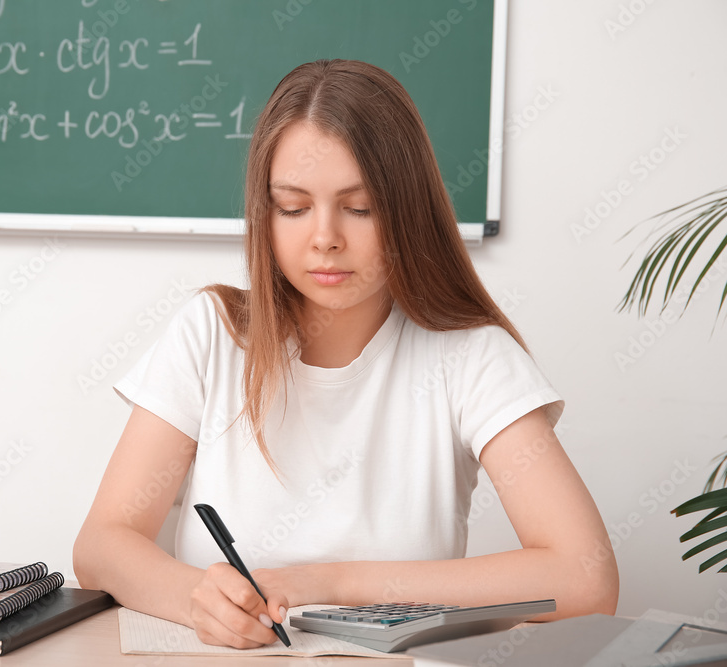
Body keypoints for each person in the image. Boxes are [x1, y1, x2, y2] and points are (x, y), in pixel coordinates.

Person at [73, 59, 618, 649]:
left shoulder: (471, 356)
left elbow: (586, 578)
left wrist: (331, 581)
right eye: (293, 207)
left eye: (359, 207)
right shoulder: (213, 333)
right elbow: (102, 545)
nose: (325, 236)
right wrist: (195, 599)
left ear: (407, 209)